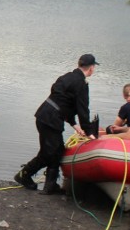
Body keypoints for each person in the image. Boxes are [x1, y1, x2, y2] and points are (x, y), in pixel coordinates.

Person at [14, 54, 98, 195]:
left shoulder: (66, 77)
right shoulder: (81, 84)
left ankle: (50, 185)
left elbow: (61, 101)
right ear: (91, 68)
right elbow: (83, 110)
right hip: (51, 120)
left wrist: (74, 125)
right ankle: (24, 175)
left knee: (57, 150)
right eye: (94, 67)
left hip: (44, 115)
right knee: (49, 153)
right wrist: (89, 132)